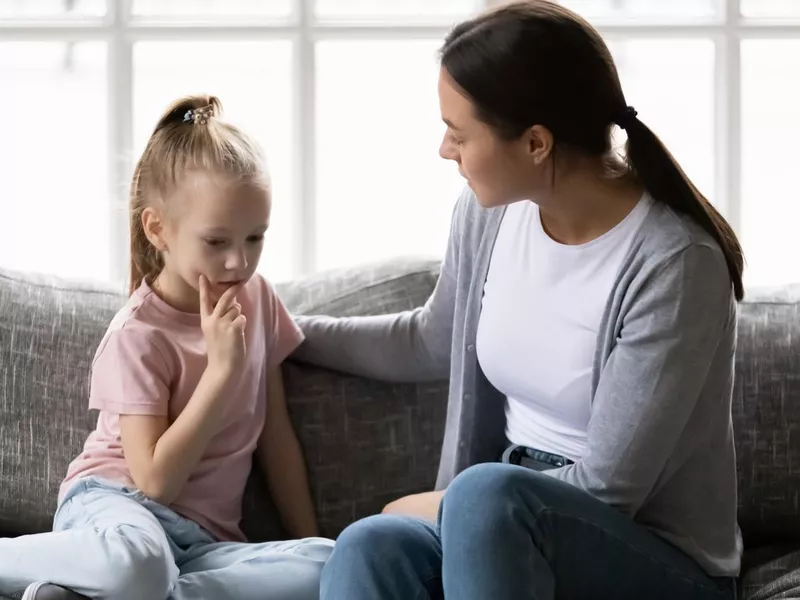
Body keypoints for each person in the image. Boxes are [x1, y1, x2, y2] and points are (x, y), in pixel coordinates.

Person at [291, 2, 744, 599]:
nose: (443, 149)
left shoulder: (673, 264)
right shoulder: (489, 218)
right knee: (369, 547)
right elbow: (431, 340)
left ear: (535, 142)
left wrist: (447, 503)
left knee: (484, 495)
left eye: (458, 133)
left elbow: (610, 489)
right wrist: (283, 329)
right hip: (503, 521)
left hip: (654, 558)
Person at [0, 96, 334, 600]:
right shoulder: (137, 335)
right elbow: (155, 481)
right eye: (216, 242)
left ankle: (102, 595)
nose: (237, 263)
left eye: (255, 238)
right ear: (158, 228)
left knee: (331, 561)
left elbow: (276, 436)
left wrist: (306, 534)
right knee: (140, 565)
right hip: (116, 510)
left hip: (200, 545)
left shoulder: (258, 298)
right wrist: (222, 373)